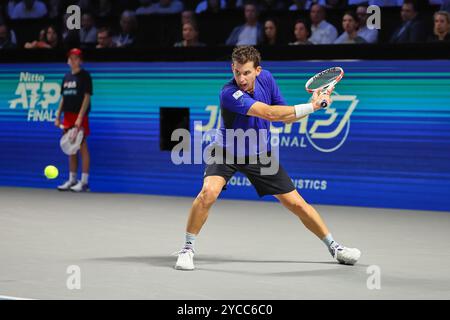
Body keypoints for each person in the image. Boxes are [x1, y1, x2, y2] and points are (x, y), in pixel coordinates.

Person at [174, 46, 361, 270]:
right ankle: (187, 249)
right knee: (208, 193)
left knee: (296, 203)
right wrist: (313, 105)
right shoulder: (228, 93)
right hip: (226, 151)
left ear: (258, 71)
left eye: (246, 73)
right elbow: (269, 113)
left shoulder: (268, 79)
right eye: (236, 72)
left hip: (259, 153)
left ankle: (335, 248)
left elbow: (286, 118)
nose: (241, 78)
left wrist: (312, 106)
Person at [55, 48, 93, 193]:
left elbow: (87, 97)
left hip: (80, 116)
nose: (73, 60)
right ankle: (72, 179)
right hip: (68, 116)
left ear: (81, 60)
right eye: (71, 58)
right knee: (71, 148)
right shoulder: (66, 77)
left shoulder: (85, 76)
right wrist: (58, 116)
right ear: (68, 61)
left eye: (76, 58)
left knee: (82, 147)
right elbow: (63, 97)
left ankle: (84, 182)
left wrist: (79, 118)